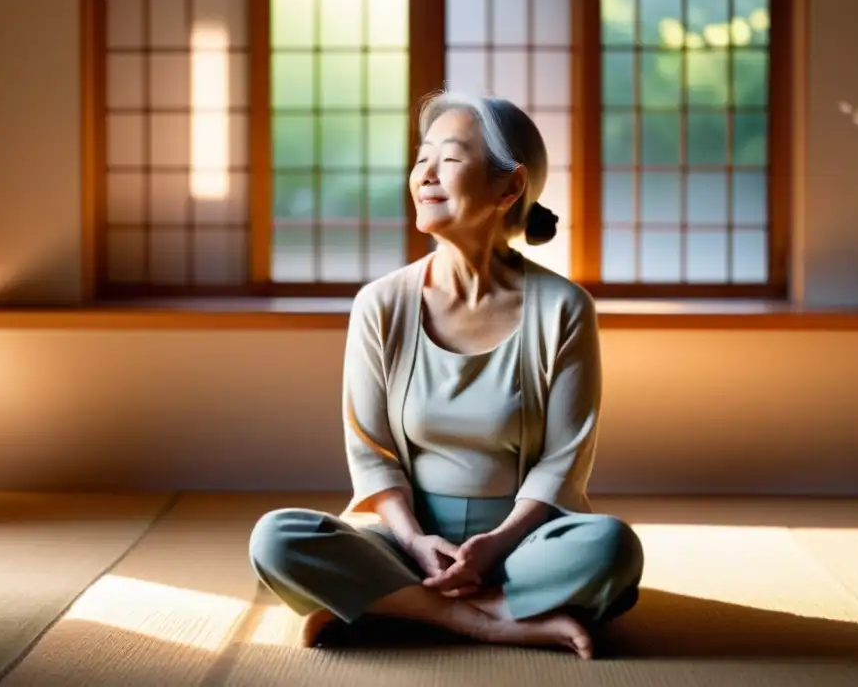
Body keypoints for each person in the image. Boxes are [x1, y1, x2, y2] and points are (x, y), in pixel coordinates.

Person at [248, 91, 644, 660]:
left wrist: (496, 544)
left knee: (611, 549)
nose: (425, 174)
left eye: (451, 159)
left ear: (509, 188)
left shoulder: (564, 308)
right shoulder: (381, 303)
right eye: (421, 158)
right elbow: (370, 452)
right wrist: (413, 538)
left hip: (521, 539)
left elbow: (564, 461)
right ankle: (491, 619)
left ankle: (394, 608)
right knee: (277, 539)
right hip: (406, 540)